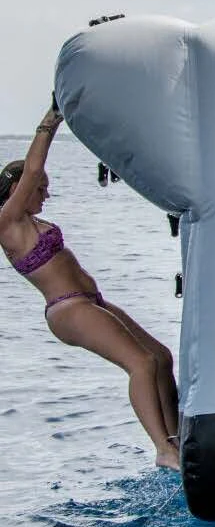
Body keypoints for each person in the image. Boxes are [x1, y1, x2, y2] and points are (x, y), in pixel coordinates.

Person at [1, 102, 182, 468]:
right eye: (40, 189)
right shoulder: (7, 222)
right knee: (142, 364)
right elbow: (34, 167)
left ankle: (179, 441)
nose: (45, 195)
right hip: (68, 308)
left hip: (90, 300)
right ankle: (163, 450)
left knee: (161, 357)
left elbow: (35, 176)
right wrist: (51, 120)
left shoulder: (31, 221)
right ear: (20, 188)